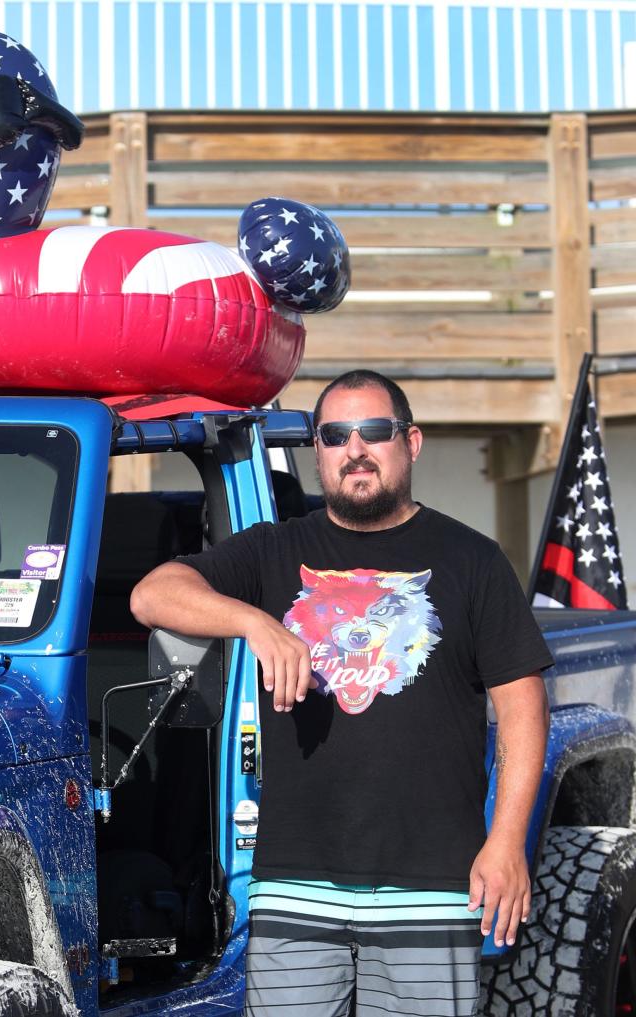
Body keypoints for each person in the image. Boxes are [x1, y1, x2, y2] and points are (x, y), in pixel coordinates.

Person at [130, 369, 551, 1017]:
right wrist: (255, 621)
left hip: (431, 885)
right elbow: (151, 593)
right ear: (318, 451)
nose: (355, 448)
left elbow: (522, 707)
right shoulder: (274, 551)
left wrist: (506, 841)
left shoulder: (472, 560)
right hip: (295, 886)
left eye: (374, 431)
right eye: (334, 435)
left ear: (410, 442)